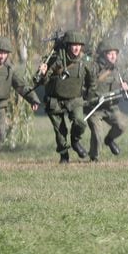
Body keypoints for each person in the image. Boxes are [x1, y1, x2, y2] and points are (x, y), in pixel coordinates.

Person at [36, 30, 94, 163]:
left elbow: (92, 80)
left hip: (74, 99)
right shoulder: (55, 59)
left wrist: (89, 96)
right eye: (73, 45)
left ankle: (75, 141)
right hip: (55, 100)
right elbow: (41, 81)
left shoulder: (84, 61)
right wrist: (43, 72)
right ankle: (64, 154)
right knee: (60, 131)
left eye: (79, 45)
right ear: (67, 45)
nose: (76, 48)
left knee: (80, 122)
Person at [85, 37, 128, 162]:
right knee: (97, 133)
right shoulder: (94, 67)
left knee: (121, 125)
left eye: (115, 54)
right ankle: (94, 157)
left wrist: (127, 86)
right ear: (103, 54)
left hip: (111, 106)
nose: (113, 57)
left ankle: (110, 139)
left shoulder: (120, 69)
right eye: (109, 53)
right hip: (95, 107)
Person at [0, 35, 41, 145]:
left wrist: (33, 99)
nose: (1, 56)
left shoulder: (10, 70)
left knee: (1, 133)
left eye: (4, 53)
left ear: (8, 54)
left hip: (0, 106)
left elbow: (21, 86)